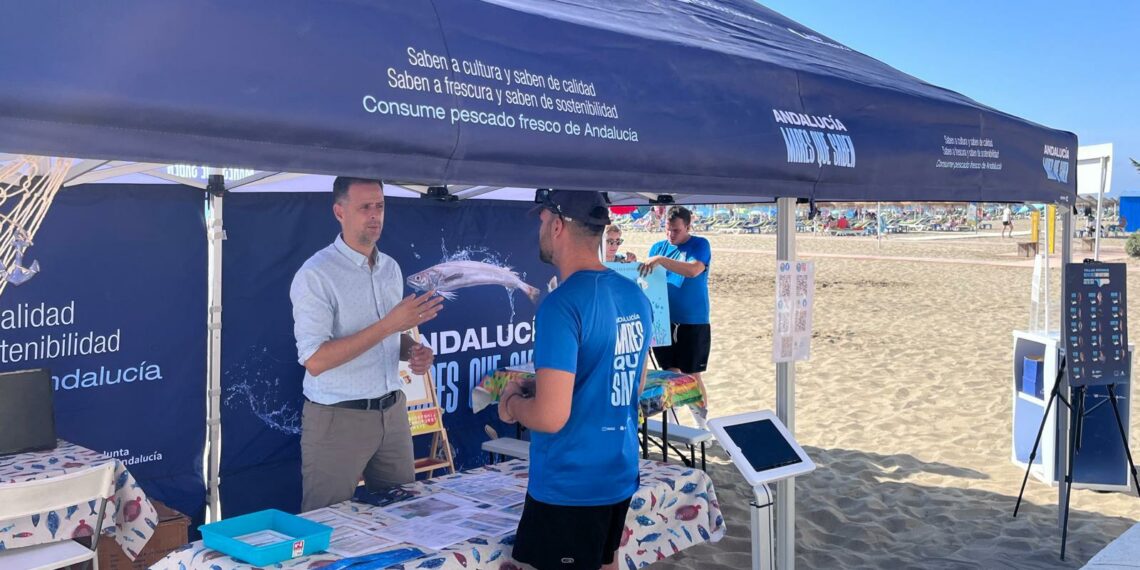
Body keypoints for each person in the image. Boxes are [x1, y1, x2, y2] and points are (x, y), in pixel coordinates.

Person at [500, 190, 652, 570]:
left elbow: (551, 417)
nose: (539, 230)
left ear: (557, 225)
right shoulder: (634, 294)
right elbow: (630, 383)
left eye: (541, 222)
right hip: (617, 473)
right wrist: (546, 388)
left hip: (570, 485)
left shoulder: (561, 304)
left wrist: (513, 404)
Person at [290, 176, 444, 512]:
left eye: (380, 206)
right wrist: (390, 324)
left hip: (392, 412)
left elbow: (388, 336)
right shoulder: (316, 274)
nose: (375, 215)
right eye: (364, 207)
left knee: (403, 516)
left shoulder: (390, 268)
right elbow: (315, 360)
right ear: (339, 212)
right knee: (327, 524)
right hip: (338, 418)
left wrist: (413, 352)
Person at [639, 206, 712, 429]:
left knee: (692, 374)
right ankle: (673, 423)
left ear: (688, 227)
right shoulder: (658, 247)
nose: (671, 235)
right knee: (668, 373)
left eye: (676, 231)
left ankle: (701, 425)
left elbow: (693, 270)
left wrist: (660, 260)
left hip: (693, 319)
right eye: (668, 230)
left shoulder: (699, 245)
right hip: (662, 319)